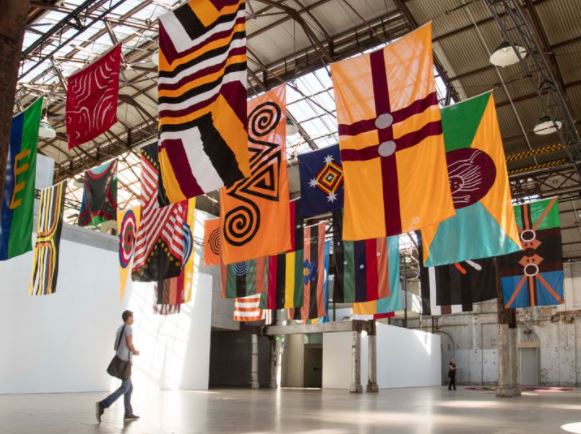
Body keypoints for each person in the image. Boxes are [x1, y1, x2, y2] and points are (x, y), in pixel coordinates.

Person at [96, 310, 140, 423]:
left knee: (129, 388)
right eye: (132, 317)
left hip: (120, 360)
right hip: (126, 362)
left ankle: (128, 412)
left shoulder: (120, 328)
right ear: (128, 318)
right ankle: (102, 404)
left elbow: (115, 347)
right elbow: (129, 343)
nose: (133, 318)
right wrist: (135, 351)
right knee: (125, 388)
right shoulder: (129, 328)